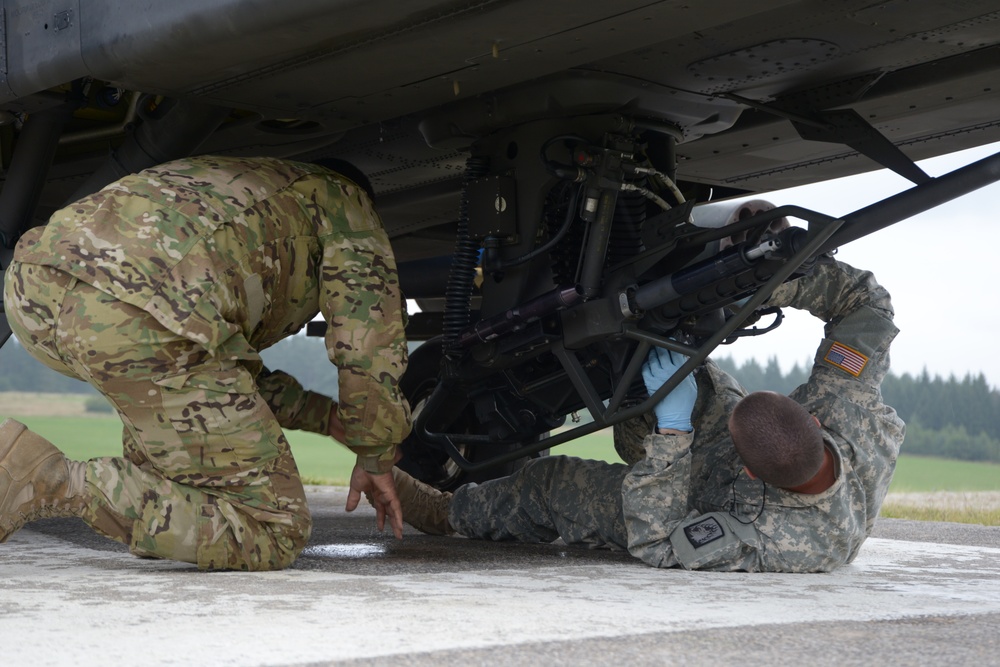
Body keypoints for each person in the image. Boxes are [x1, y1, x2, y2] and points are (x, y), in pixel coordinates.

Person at [1, 156, 411, 571]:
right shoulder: (349, 205)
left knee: (175, 461)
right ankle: (51, 479)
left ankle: (169, 521)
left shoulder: (236, 179)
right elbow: (368, 344)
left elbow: (220, 366)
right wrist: (375, 452)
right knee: (274, 528)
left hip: (31, 291)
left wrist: (325, 418)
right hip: (140, 308)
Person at [391, 257, 905, 572]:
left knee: (551, 485)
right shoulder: (847, 411)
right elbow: (866, 305)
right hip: (731, 446)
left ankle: (446, 512)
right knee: (673, 367)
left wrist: (672, 430)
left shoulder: (778, 541)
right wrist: (763, 289)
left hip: (689, 498)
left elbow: (657, 542)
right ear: (813, 419)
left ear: (751, 471)